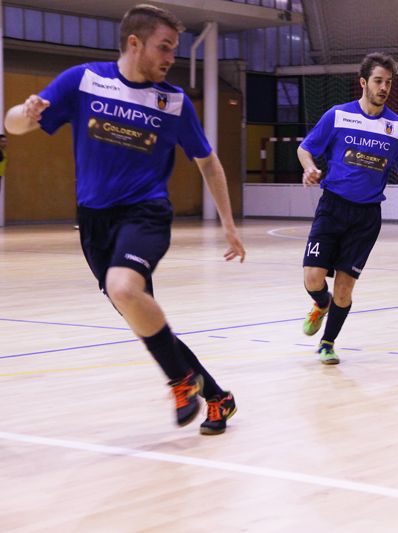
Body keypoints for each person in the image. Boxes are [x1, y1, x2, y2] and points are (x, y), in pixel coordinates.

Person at [4, 4, 245, 435]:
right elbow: (14, 124)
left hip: (146, 214)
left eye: (175, 48)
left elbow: (208, 163)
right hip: (95, 224)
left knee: (123, 287)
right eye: (164, 47)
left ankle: (180, 381)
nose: (171, 57)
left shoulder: (172, 102)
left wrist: (228, 224)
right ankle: (218, 397)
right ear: (134, 43)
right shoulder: (85, 81)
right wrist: (26, 112)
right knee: (143, 317)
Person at [297, 52, 398, 365]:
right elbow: (305, 149)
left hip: (366, 217)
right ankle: (320, 303)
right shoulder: (338, 115)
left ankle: (327, 342)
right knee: (314, 278)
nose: (384, 88)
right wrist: (309, 169)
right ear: (363, 83)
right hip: (333, 206)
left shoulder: (397, 127)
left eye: (388, 83)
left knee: (344, 288)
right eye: (378, 81)